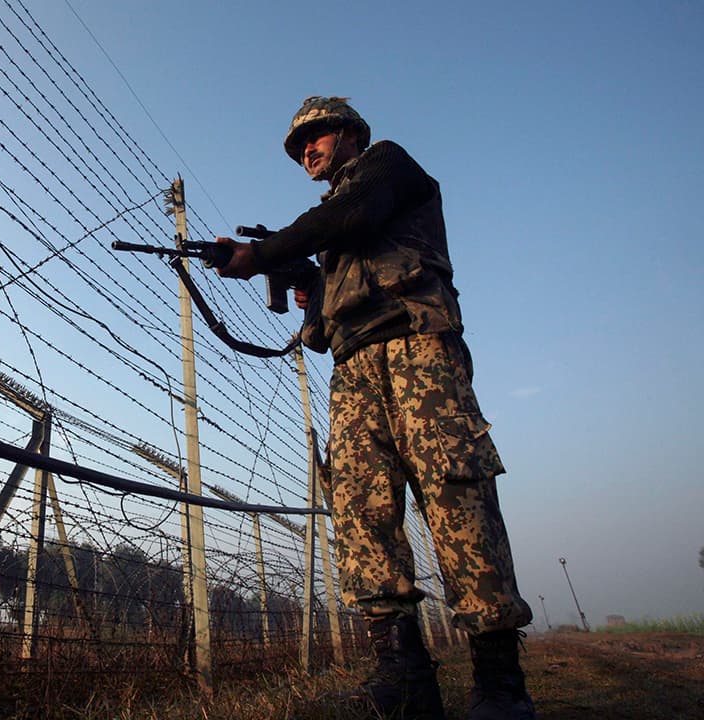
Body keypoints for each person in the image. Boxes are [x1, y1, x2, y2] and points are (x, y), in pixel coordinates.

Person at [215, 97, 536, 720]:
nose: (306, 149)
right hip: (354, 368)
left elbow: (356, 213)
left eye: (317, 135)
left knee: (455, 494)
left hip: (420, 350)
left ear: (352, 133)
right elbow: (314, 330)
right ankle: (404, 678)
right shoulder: (332, 238)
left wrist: (267, 252)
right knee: (360, 510)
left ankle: (499, 684)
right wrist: (304, 287)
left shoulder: (388, 167)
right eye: (297, 145)